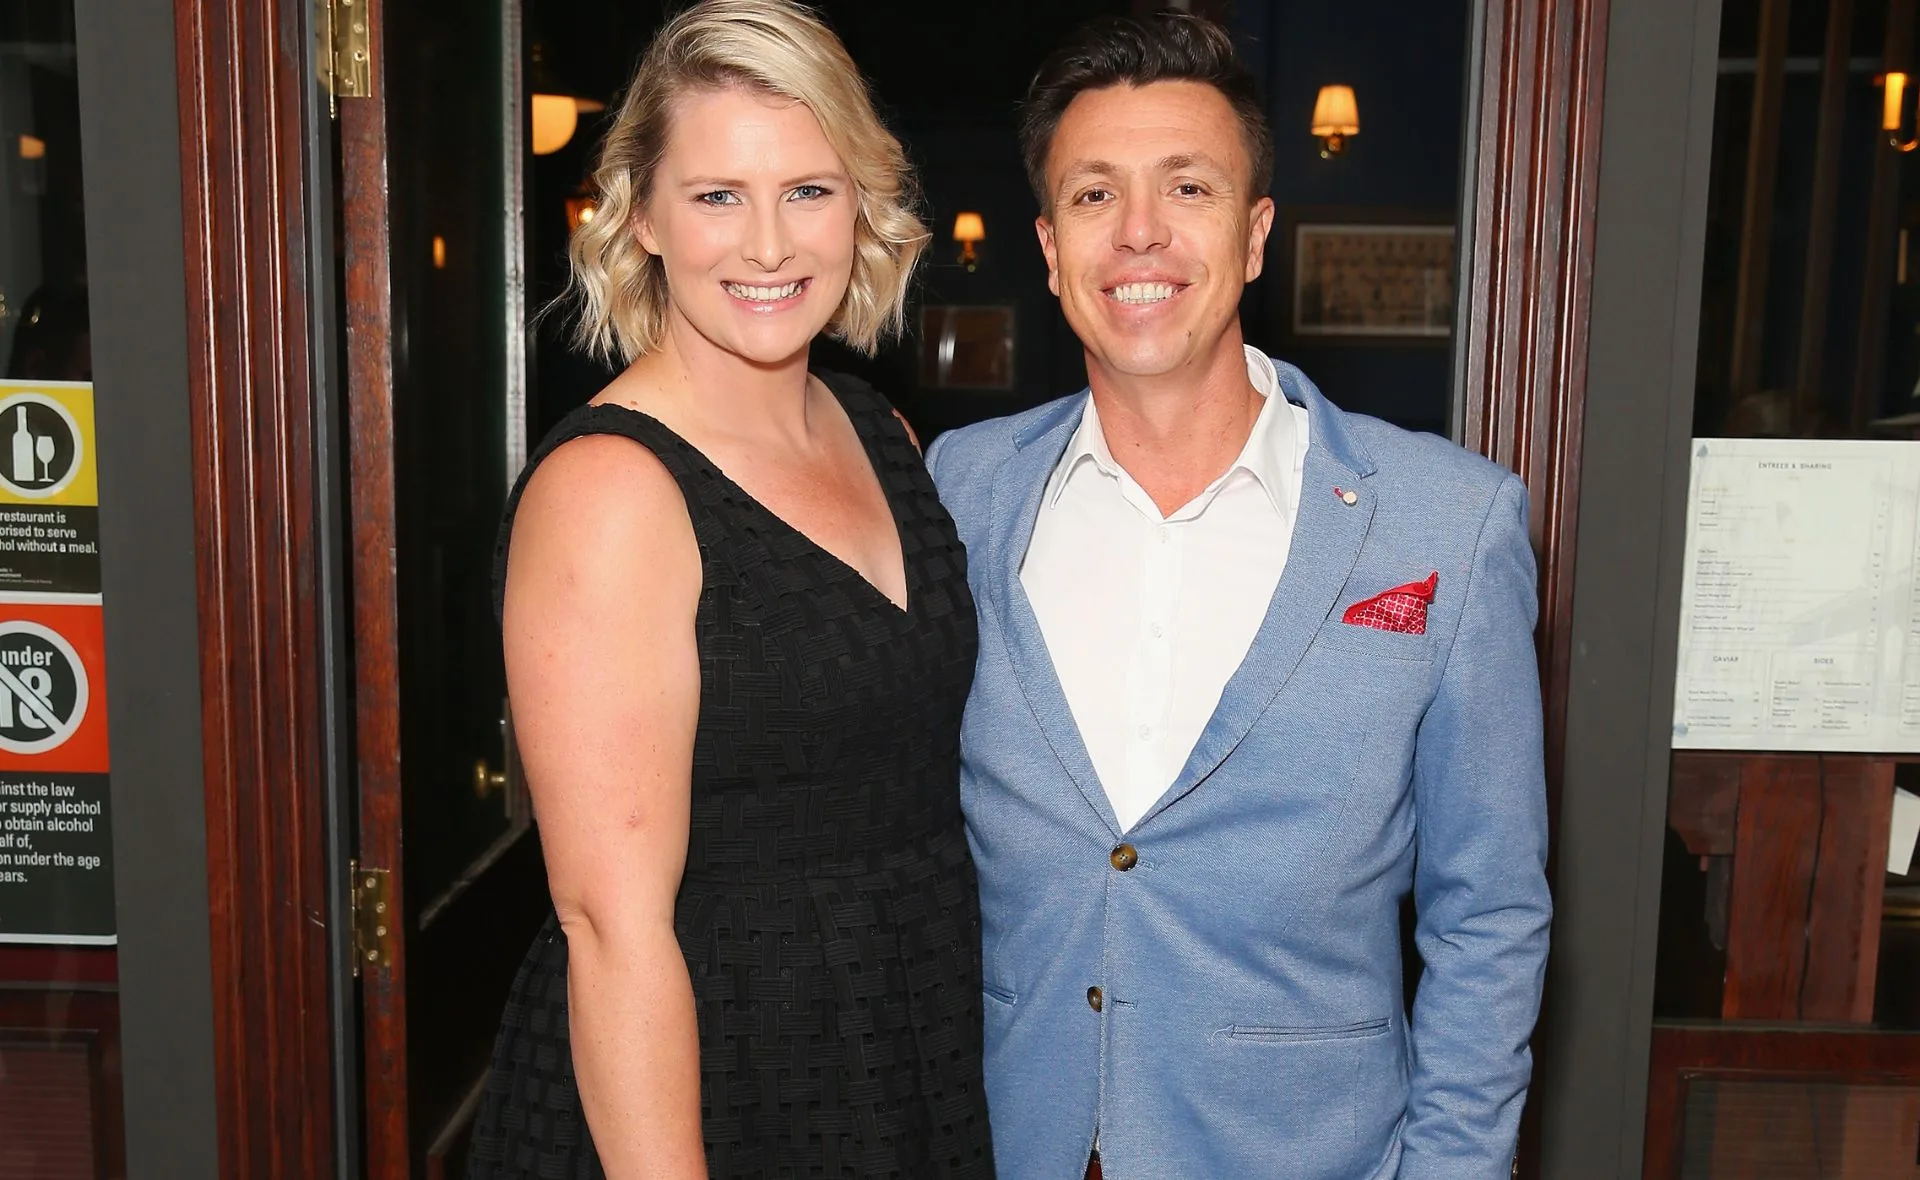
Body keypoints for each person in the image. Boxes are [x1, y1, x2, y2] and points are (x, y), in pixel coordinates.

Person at [924, 13, 1551, 1179]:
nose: (1141, 233)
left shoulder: (1448, 525)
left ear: (1256, 235)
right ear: (1051, 247)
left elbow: (1489, 917)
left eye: (1190, 187)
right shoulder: (958, 494)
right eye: (1095, 195)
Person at [465, 2, 993, 1175]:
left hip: (900, 1056)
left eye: (808, 189)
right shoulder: (613, 490)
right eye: (717, 196)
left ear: (863, 202)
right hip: (713, 1083)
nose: (768, 245)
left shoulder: (882, 432)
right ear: (641, 215)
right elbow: (612, 927)